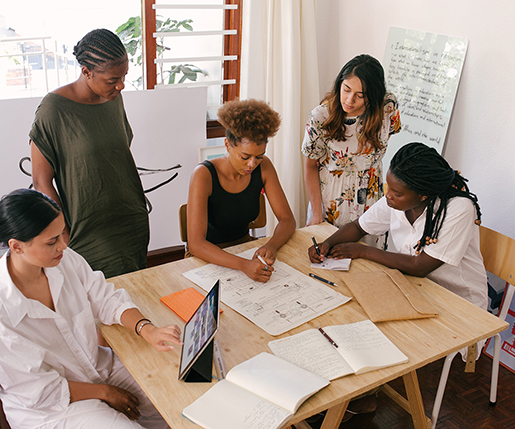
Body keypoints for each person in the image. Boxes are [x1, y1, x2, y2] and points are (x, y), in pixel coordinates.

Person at [0, 189, 182, 429]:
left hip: (97, 367)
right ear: (17, 246)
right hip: (51, 408)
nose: (63, 245)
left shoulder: (63, 259)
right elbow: (39, 390)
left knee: (175, 399)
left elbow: (105, 298)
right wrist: (104, 392)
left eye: (62, 233)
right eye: (52, 241)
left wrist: (147, 329)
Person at [309, 142, 488, 310]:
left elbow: (420, 266)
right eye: (389, 189)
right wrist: (327, 244)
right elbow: (358, 227)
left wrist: (362, 251)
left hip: (460, 303)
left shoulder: (458, 208)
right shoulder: (396, 201)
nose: (388, 196)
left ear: (423, 195)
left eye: (396, 193)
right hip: (417, 289)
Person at [30, 28, 149, 279]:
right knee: (99, 301)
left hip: (130, 218)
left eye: (124, 76)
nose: (121, 85)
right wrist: (62, 233)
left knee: (135, 293)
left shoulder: (113, 98)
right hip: (88, 229)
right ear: (87, 72)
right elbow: (41, 181)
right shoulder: (53, 110)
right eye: (112, 80)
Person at [187, 99, 296, 282]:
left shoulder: (264, 167)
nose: (252, 164)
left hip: (245, 250)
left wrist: (272, 245)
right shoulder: (203, 175)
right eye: (245, 157)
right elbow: (196, 244)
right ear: (228, 145)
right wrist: (243, 265)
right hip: (208, 258)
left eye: (259, 157)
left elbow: (287, 220)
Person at [302, 54, 401, 231]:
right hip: (332, 202)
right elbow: (310, 166)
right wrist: (317, 213)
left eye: (360, 95)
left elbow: (382, 142)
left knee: (368, 256)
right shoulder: (321, 116)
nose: (349, 100)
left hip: (372, 200)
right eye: (346, 89)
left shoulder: (388, 107)